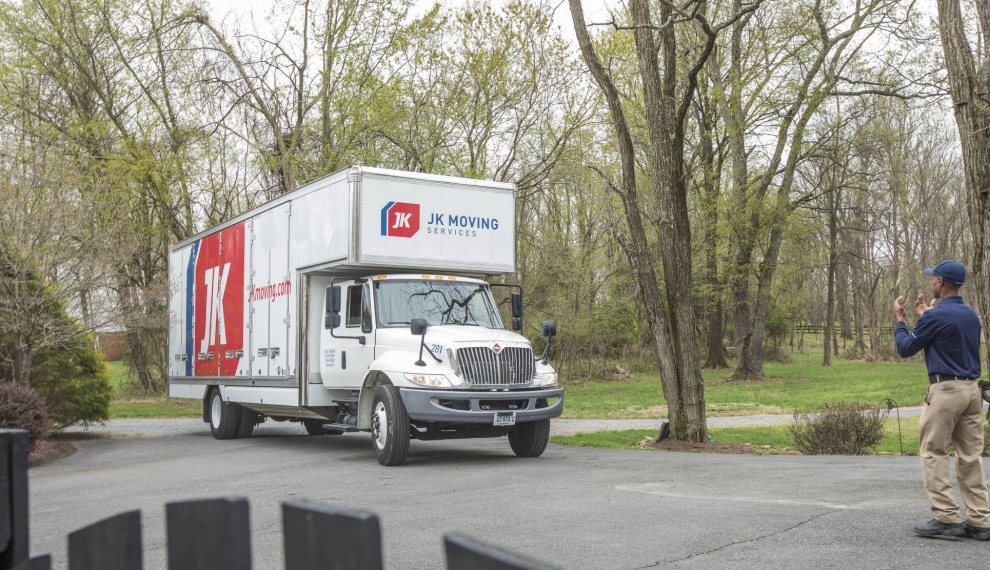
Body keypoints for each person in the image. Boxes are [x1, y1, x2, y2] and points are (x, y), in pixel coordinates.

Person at [894, 259, 990, 540]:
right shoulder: (971, 316)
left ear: (940, 283)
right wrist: (925, 315)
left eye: (933, 278)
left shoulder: (937, 316)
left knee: (933, 451)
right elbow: (947, 335)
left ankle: (946, 517)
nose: (931, 282)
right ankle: (980, 520)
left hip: (946, 391)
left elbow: (905, 348)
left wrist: (901, 320)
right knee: (970, 456)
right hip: (972, 391)